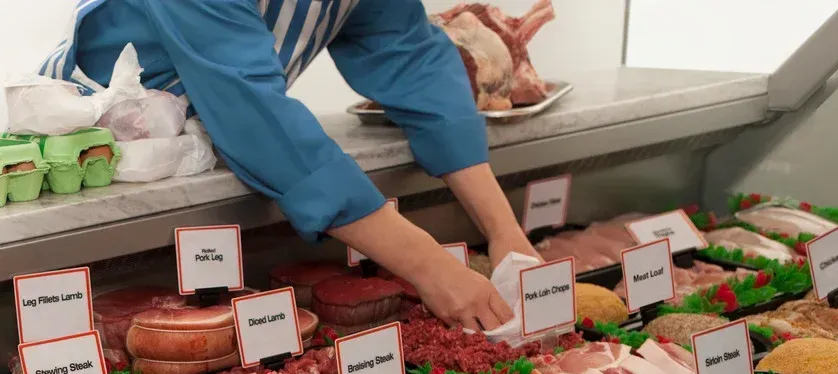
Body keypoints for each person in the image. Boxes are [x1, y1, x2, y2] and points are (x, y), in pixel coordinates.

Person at [41, 0, 540, 332]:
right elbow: (254, 114)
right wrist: (429, 266)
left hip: (222, 151)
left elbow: (409, 59)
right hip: (114, 156)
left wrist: (503, 231)